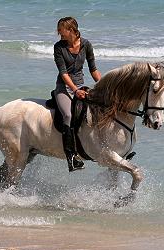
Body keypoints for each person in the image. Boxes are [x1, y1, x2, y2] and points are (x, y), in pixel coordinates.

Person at [54, 17, 101, 172]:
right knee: (68, 115)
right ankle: (71, 158)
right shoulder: (58, 47)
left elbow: (93, 69)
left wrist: (103, 85)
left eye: (61, 29)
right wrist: (75, 90)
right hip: (64, 88)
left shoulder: (86, 44)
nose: (59, 32)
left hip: (81, 86)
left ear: (71, 30)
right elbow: (63, 73)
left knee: (101, 108)